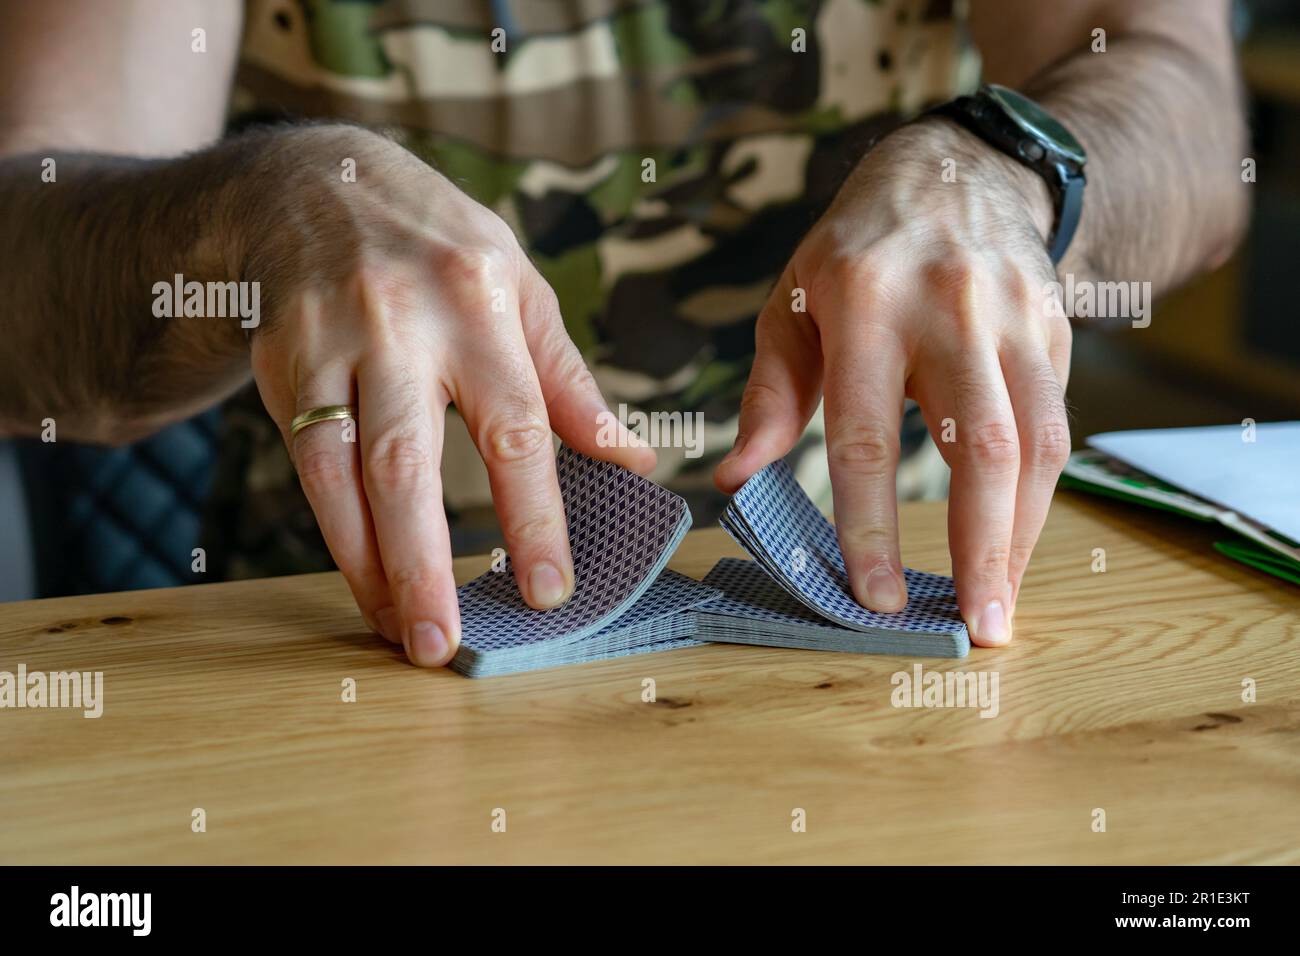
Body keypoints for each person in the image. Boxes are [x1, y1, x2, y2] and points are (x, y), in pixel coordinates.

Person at [0, 0, 1248, 666]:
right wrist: (254, 208)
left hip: (891, 615)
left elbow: (1180, 100)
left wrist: (1008, 166)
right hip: (361, 636)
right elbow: (27, 236)